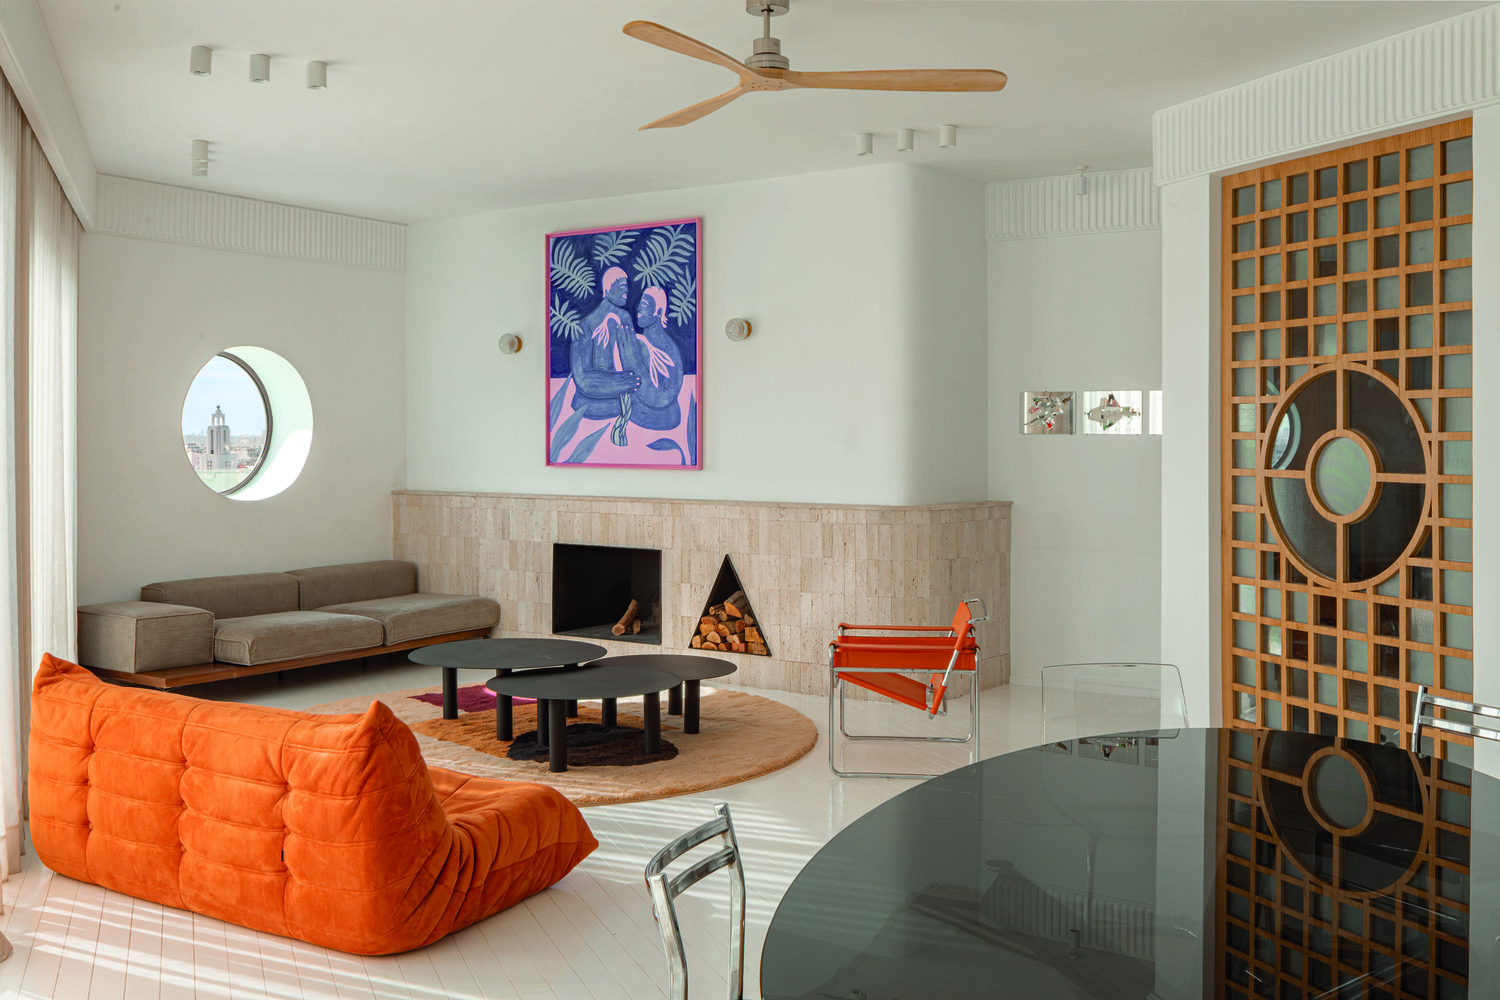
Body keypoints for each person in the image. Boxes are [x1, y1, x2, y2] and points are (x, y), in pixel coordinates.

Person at [569, 266, 641, 444]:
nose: (626, 290)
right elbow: (582, 378)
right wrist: (618, 382)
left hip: (623, 409)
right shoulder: (587, 325)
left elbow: (634, 365)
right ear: (607, 289)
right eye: (621, 286)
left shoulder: (624, 318)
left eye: (626, 286)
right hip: (589, 414)